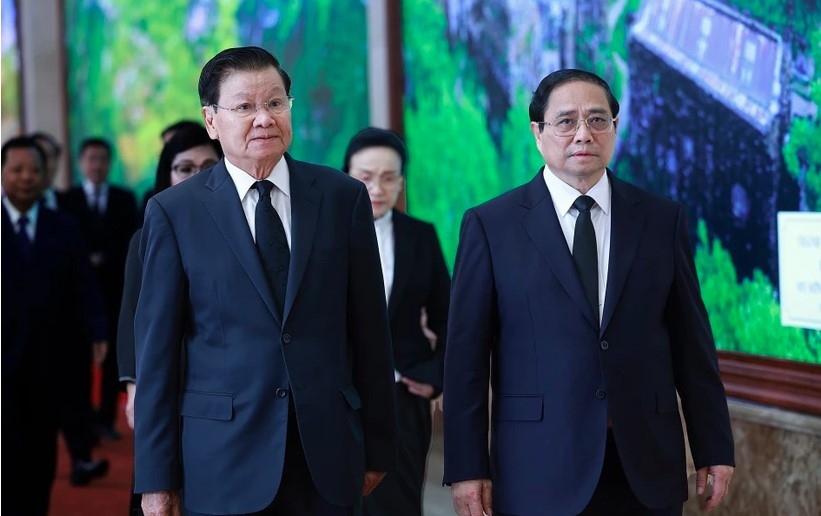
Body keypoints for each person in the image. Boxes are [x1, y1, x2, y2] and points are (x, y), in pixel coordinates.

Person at [443, 69, 735, 516]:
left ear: (615, 129)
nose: (583, 133)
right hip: (537, 465)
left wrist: (714, 446)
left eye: (598, 120)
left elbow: (692, 346)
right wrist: (466, 467)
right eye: (566, 121)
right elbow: (465, 359)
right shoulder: (490, 226)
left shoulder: (660, 220)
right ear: (538, 132)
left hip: (644, 464)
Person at [133, 46, 397, 516]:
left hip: (328, 456)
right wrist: (156, 479)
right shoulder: (175, 213)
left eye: (275, 103)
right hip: (222, 459)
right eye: (245, 106)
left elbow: (370, 332)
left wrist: (377, 445)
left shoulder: (342, 198)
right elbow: (157, 357)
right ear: (211, 121)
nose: (264, 119)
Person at [342, 127, 451, 516]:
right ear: (346, 176)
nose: (377, 188)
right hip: (338, 396)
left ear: (401, 182)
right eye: (365, 177)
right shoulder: (322, 235)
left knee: (398, 503)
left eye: (389, 178)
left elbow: (448, 316)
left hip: (402, 396)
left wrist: (435, 373)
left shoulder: (420, 236)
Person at [118, 124, 222, 515]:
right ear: (167, 175)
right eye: (184, 168)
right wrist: (133, 389)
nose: (195, 177)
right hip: (164, 383)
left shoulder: (243, 234)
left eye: (207, 166)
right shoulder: (145, 237)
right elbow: (132, 317)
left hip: (217, 384)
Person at [1, 136, 107, 515]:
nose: (26, 177)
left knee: (41, 451)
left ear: (46, 174)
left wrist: (98, 330)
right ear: (2, 173)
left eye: (34, 170)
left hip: (52, 359)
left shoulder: (63, 226)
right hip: (3, 361)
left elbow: (84, 284)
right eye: (17, 170)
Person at [62, 137, 139, 442]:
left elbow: (129, 241)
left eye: (102, 159)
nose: (96, 165)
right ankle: (81, 422)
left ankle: (106, 418)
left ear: (109, 164)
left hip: (114, 288)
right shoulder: (67, 199)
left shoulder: (124, 198)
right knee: (78, 359)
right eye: (91, 159)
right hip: (77, 293)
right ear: (81, 163)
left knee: (111, 361)